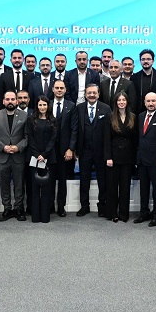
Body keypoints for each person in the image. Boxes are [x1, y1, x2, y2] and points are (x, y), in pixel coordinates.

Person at [0, 91, 28, 221]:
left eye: (12, 99)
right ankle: (7, 209)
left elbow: (27, 136)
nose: (10, 101)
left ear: (16, 101)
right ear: (3, 101)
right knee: (4, 184)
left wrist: (18, 147)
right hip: (1, 156)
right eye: (7, 99)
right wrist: (3, 147)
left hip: (18, 156)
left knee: (19, 184)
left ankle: (19, 208)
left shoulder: (24, 115)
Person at [134, 92, 156, 226]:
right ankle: (144, 212)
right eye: (148, 101)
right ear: (144, 103)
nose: (151, 103)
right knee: (143, 189)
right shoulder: (140, 116)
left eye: (153, 101)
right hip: (142, 160)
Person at [75, 84, 110, 217]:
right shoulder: (79, 108)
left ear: (98, 94)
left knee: (103, 180)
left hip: (101, 152)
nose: (91, 95)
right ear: (85, 95)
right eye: (89, 93)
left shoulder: (106, 108)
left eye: (94, 93)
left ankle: (102, 206)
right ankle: (84, 206)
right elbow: (76, 129)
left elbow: (108, 132)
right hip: (84, 151)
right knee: (84, 180)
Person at [102, 92, 137, 223]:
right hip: (113, 157)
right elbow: (106, 138)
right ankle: (112, 213)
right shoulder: (110, 116)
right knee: (112, 187)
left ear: (127, 102)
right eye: (119, 100)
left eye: (123, 100)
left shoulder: (133, 117)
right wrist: (108, 157)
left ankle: (123, 214)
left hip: (127, 157)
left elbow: (135, 139)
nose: (121, 102)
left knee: (125, 187)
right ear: (115, 102)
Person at [25, 98, 58, 224]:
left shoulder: (53, 120)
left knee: (47, 188)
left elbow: (53, 139)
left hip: (48, 158)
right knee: (34, 187)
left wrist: (44, 154)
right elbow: (30, 138)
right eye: (40, 105)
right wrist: (37, 154)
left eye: (44, 105)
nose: (42, 107)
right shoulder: (30, 120)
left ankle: (45, 216)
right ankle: (35, 216)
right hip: (34, 157)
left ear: (48, 106)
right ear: (37, 106)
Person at [47, 80, 76, 217]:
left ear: (65, 90)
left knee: (62, 180)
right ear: (53, 89)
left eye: (61, 88)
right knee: (49, 179)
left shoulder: (71, 105)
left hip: (64, 150)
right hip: (49, 150)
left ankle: (61, 207)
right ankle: (49, 205)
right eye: (57, 88)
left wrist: (71, 148)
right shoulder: (47, 104)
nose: (59, 90)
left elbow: (74, 129)